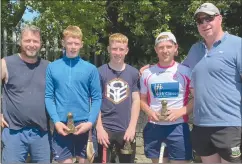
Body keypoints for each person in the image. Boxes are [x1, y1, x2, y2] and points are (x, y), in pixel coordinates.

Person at [182, 2, 242, 163]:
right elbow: (176, 71)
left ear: (220, 19)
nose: (204, 24)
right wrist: (151, 68)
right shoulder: (195, 50)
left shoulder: (238, 45)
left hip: (230, 125)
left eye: (208, 18)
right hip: (201, 125)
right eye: (200, 21)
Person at [45, 25, 102, 163]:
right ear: (63, 43)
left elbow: (97, 98)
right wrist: (56, 121)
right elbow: (48, 96)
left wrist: (90, 122)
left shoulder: (90, 69)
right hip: (61, 126)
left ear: (81, 44)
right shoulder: (52, 67)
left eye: (76, 43)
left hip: (84, 125)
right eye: (69, 43)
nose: (73, 47)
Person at [140, 32, 193, 163]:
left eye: (169, 47)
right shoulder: (147, 73)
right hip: (154, 127)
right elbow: (141, 100)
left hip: (178, 127)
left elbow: (197, 99)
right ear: (156, 50)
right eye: (161, 47)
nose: (165, 50)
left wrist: (180, 112)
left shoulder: (186, 71)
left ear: (175, 48)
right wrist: (150, 112)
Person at [1, 25, 51, 163]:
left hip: (42, 133)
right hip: (13, 132)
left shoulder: (48, 67)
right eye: (27, 40)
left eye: (35, 41)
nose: (31, 44)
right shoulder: (6, 63)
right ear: (20, 42)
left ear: (40, 43)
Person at [94, 33, 140, 163]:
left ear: (127, 51)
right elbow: (94, 101)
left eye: (121, 49)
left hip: (126, 130)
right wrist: (99, 128)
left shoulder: (133, 73)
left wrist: (132, 127)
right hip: (105, 130)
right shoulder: (99, 72)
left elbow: (136, 101)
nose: (118, 52)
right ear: (108, 49)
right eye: (114, 49)